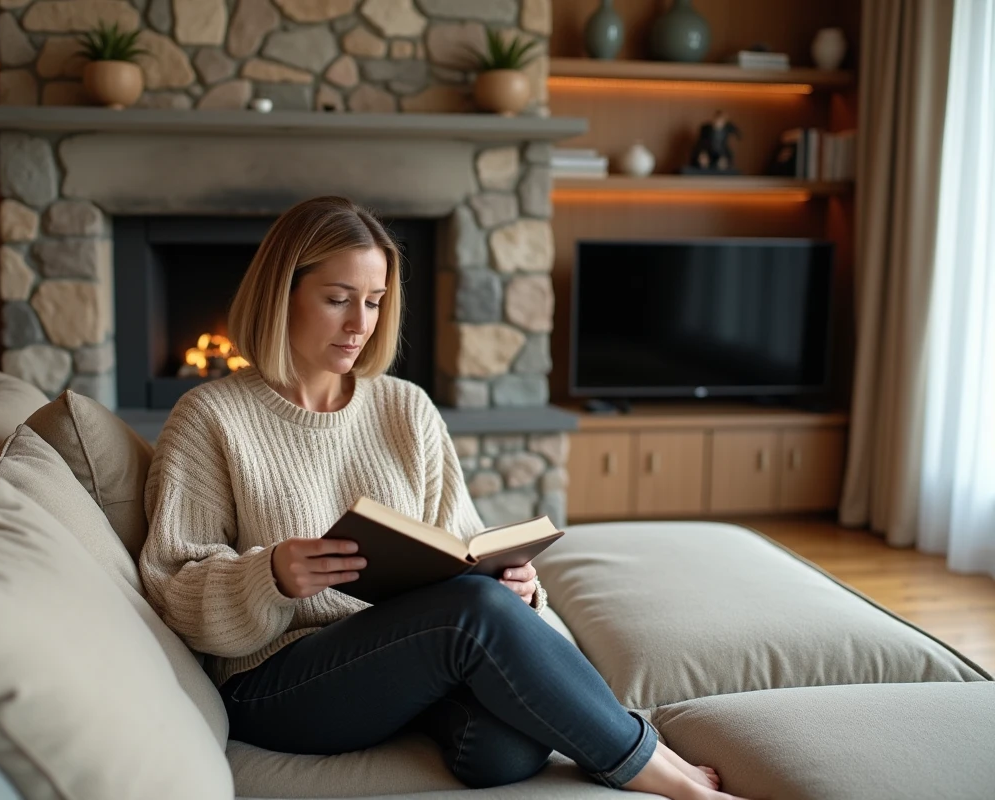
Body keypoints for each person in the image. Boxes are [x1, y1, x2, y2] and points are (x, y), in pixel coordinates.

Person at [140, 196, 743, 799]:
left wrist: (517, 587)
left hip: (403, 667)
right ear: (282, 293)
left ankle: (613, 737)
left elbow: (461, 550)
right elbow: (172, 588)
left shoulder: (406, 408)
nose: (360, 324)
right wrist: (268, 575)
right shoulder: (210, 417)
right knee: (472, 617)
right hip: (272, 684)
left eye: (374, 302)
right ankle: (661, 770)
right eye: (337, 299)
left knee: (508, 748)